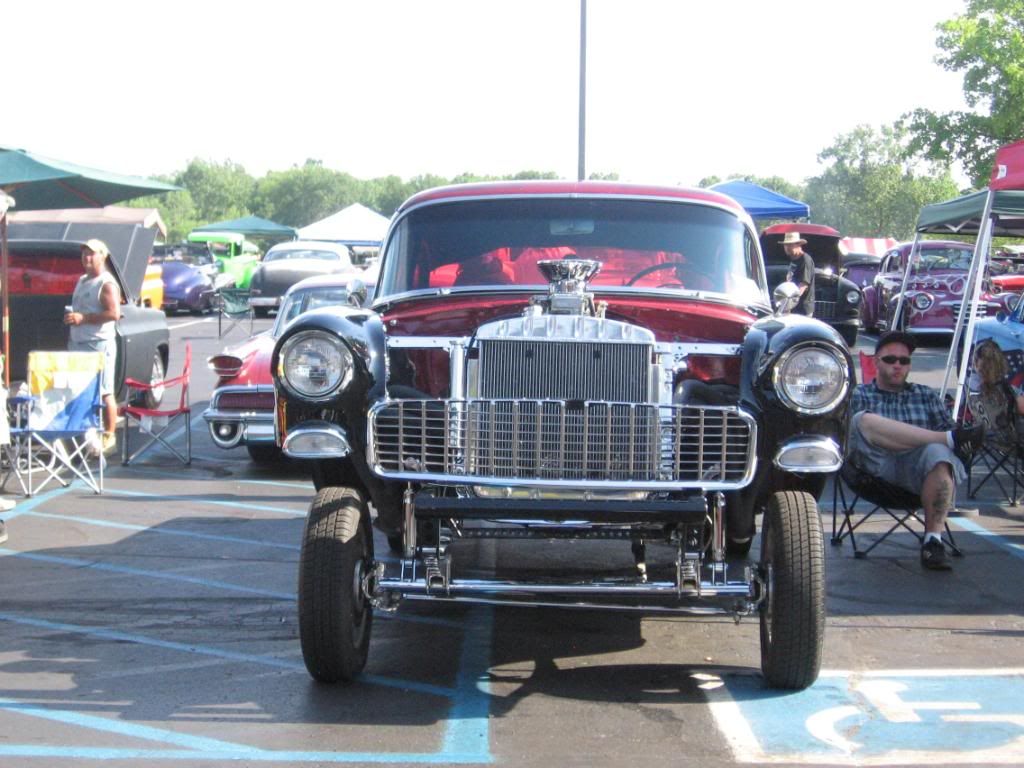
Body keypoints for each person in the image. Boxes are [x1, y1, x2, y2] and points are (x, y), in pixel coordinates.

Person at [847, 330, 985, 570]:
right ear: (875, 361)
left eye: (904, 360)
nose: (898, 365)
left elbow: (959, 443)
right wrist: (947, 439)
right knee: (863, 420)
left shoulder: (926, 395)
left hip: (919, 472)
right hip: (876, 470)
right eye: (890, 360)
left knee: (939, 455)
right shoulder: (860, 394)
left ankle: (933, 542)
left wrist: (947, 444)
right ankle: (944, 440)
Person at [64, 239, 121, 453]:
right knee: (80, 389)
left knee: (104, 391)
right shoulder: (82, 279)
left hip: (98, 344)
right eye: (84, 254)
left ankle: (109, 435)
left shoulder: (106, 283)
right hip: (78, 342)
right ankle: (84, 432)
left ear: (102, 257)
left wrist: (84, 318)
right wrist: (73, 318)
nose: (86, 258)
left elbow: (114, 314)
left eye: (91, 254)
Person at [970, 339, 1024, 448]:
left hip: (985, 438)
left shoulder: (968, 388)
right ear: (1001, 363)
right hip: (1013, 440)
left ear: (976, 364)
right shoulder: (1008, 390)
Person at [781, 231, 815, 316]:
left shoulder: (805, 260)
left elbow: (803, 285)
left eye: (790, 245)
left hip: (803, 309)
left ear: (798, 245)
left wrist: (790, 301)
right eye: (785, 245)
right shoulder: (794, 259)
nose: (787, 247)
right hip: (794, 308)